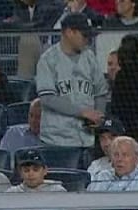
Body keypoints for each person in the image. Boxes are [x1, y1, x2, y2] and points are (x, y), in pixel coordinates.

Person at [36, 14, 109, 148]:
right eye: (84, 35)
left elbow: (100, 92)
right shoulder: (48, 59)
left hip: (87, 138)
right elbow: (48, 98)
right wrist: (81, 112)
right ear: (69, 32)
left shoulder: (90, 57)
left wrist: (99, 115)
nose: (87, 40)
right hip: (56, 140)